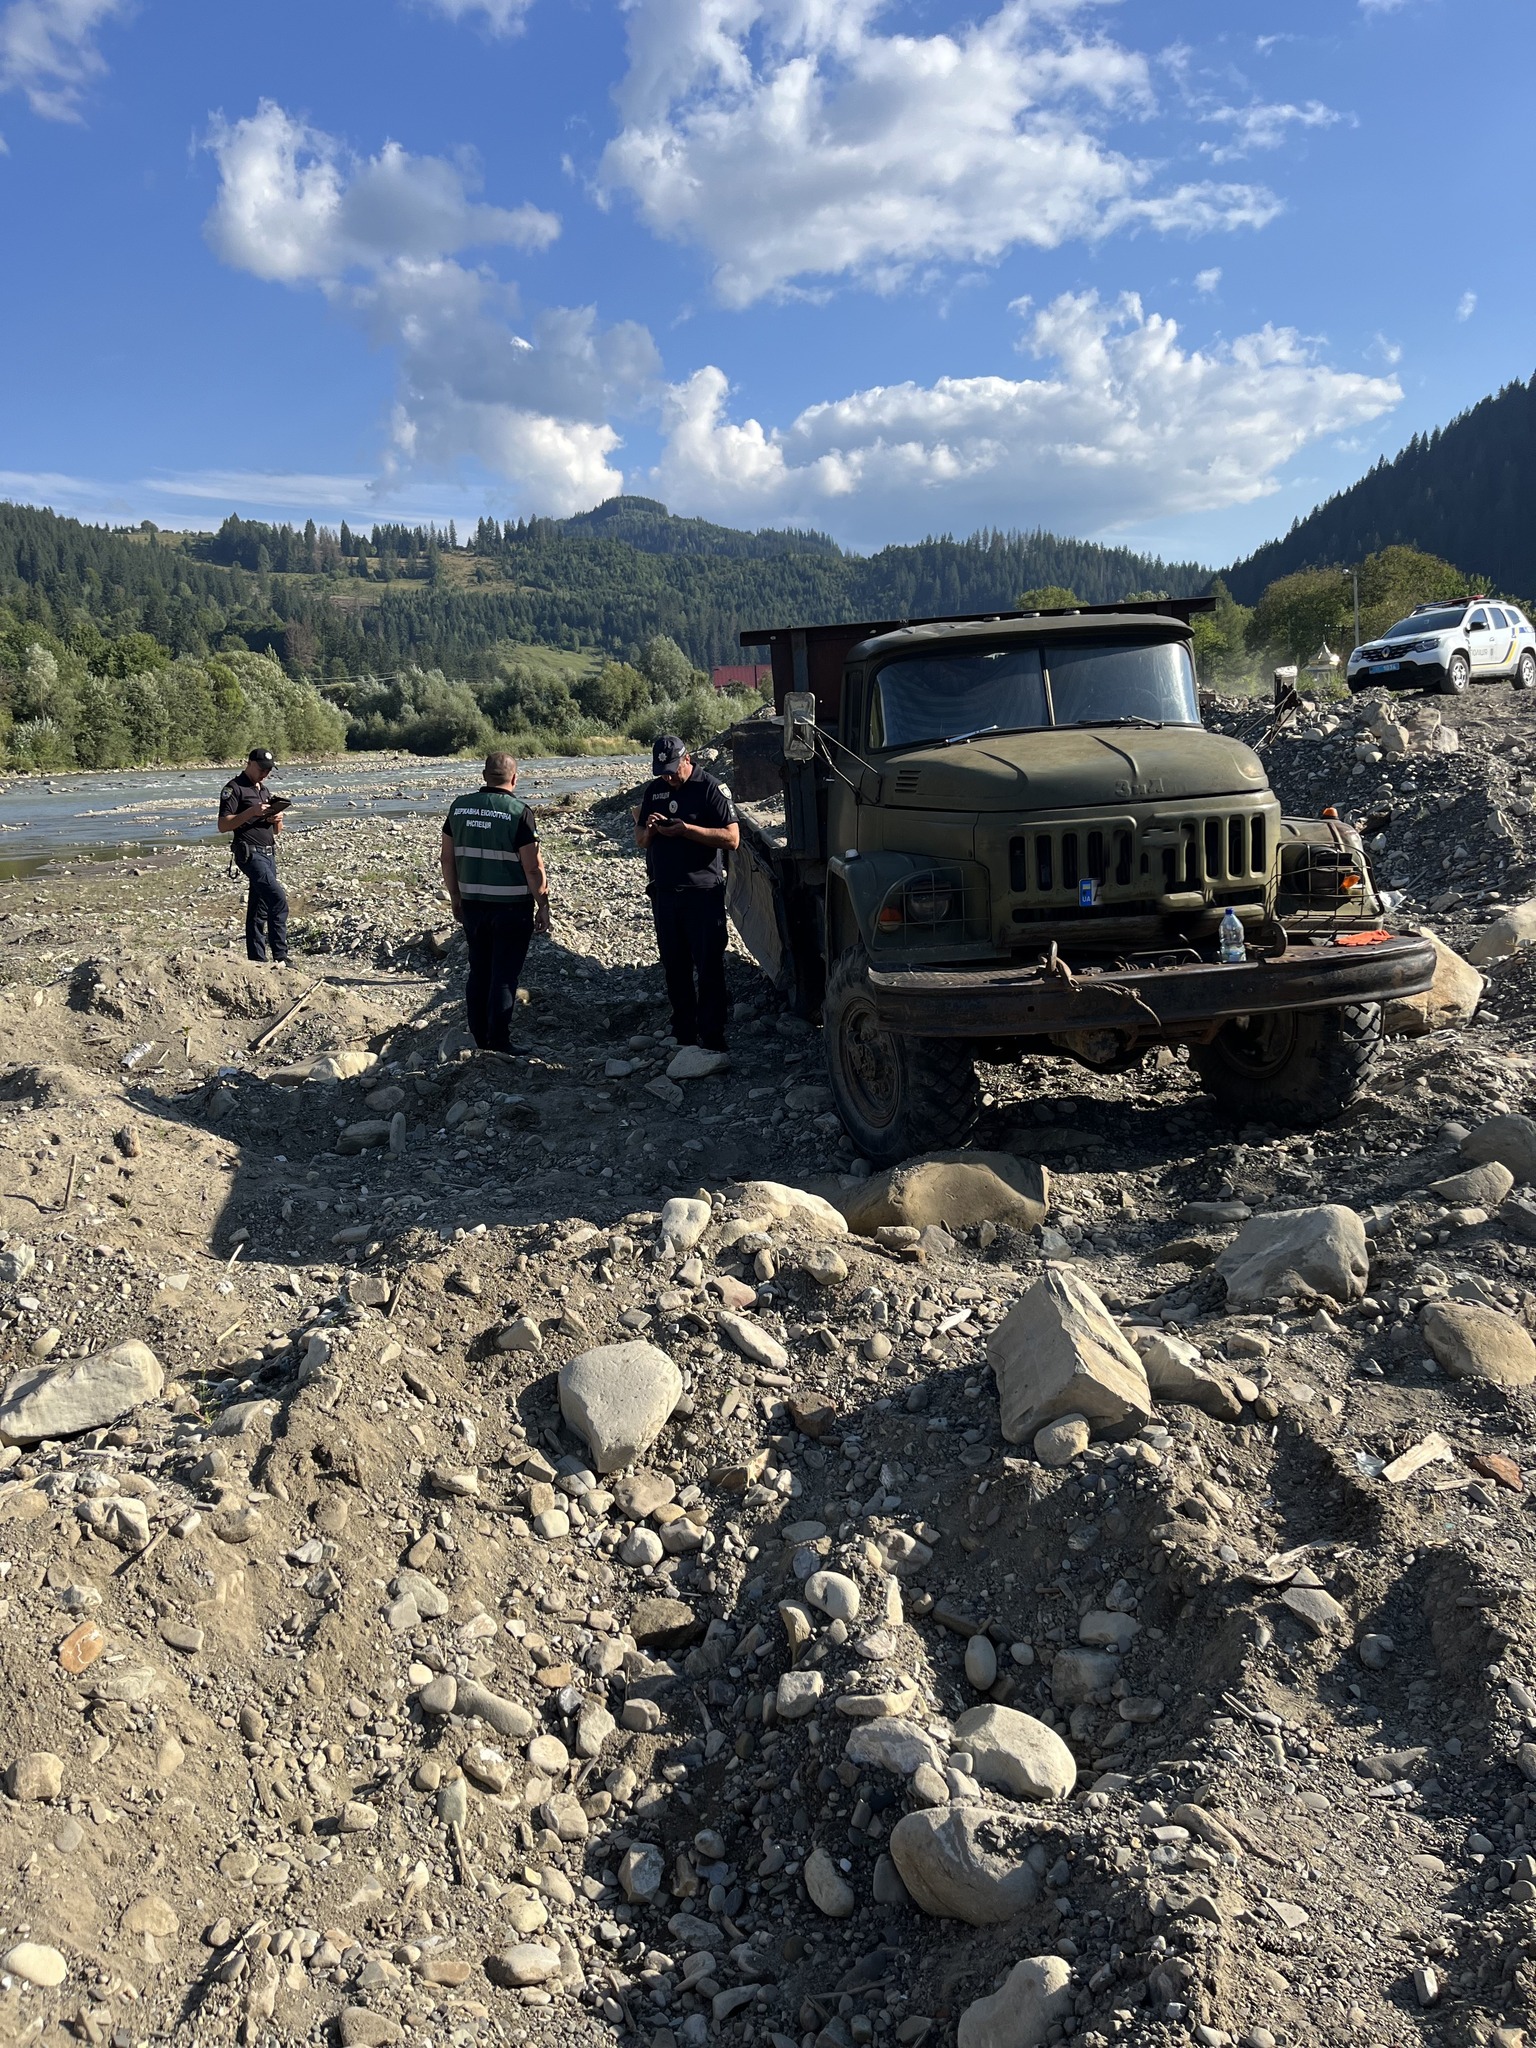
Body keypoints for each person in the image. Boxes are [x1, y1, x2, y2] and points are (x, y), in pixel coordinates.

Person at [635, 734, 739, 1069]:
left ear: (687, 758)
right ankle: (683, 1032)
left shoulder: (709, 787)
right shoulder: (654, 791)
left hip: (702, 893)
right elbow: (640, 840)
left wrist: (687, 830)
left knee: (708, 966)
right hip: (665, 894)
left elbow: (732, 838)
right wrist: (651, 830)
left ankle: (712, 1037)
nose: (668, 776)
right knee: (675, 966)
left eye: (671, 770)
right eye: (661, 771)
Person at [441, 751, 551, 1053]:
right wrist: (543, 903)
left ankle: (479, 1037)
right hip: (512, 908)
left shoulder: (459, 808)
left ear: (483, 775)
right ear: (514, 778)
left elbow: (446, 859)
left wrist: (455, 897)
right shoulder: (518, 812)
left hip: (474, 905)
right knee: (504, 975)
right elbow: (532, 866)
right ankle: (499, 1043)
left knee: (478, 971)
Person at [217, 747, 290, 964]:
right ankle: (281, 956)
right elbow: (223, 825)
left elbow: (276, 831)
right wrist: (252, 811)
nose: (265, 773)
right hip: (249, 852)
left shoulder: (264, 791)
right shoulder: (234, 788)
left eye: (268, 770)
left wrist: (277, 819)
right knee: (277, 899)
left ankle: (257, 960)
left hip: (268, 853)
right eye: (261, 769)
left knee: (259, 908)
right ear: (249, 763)